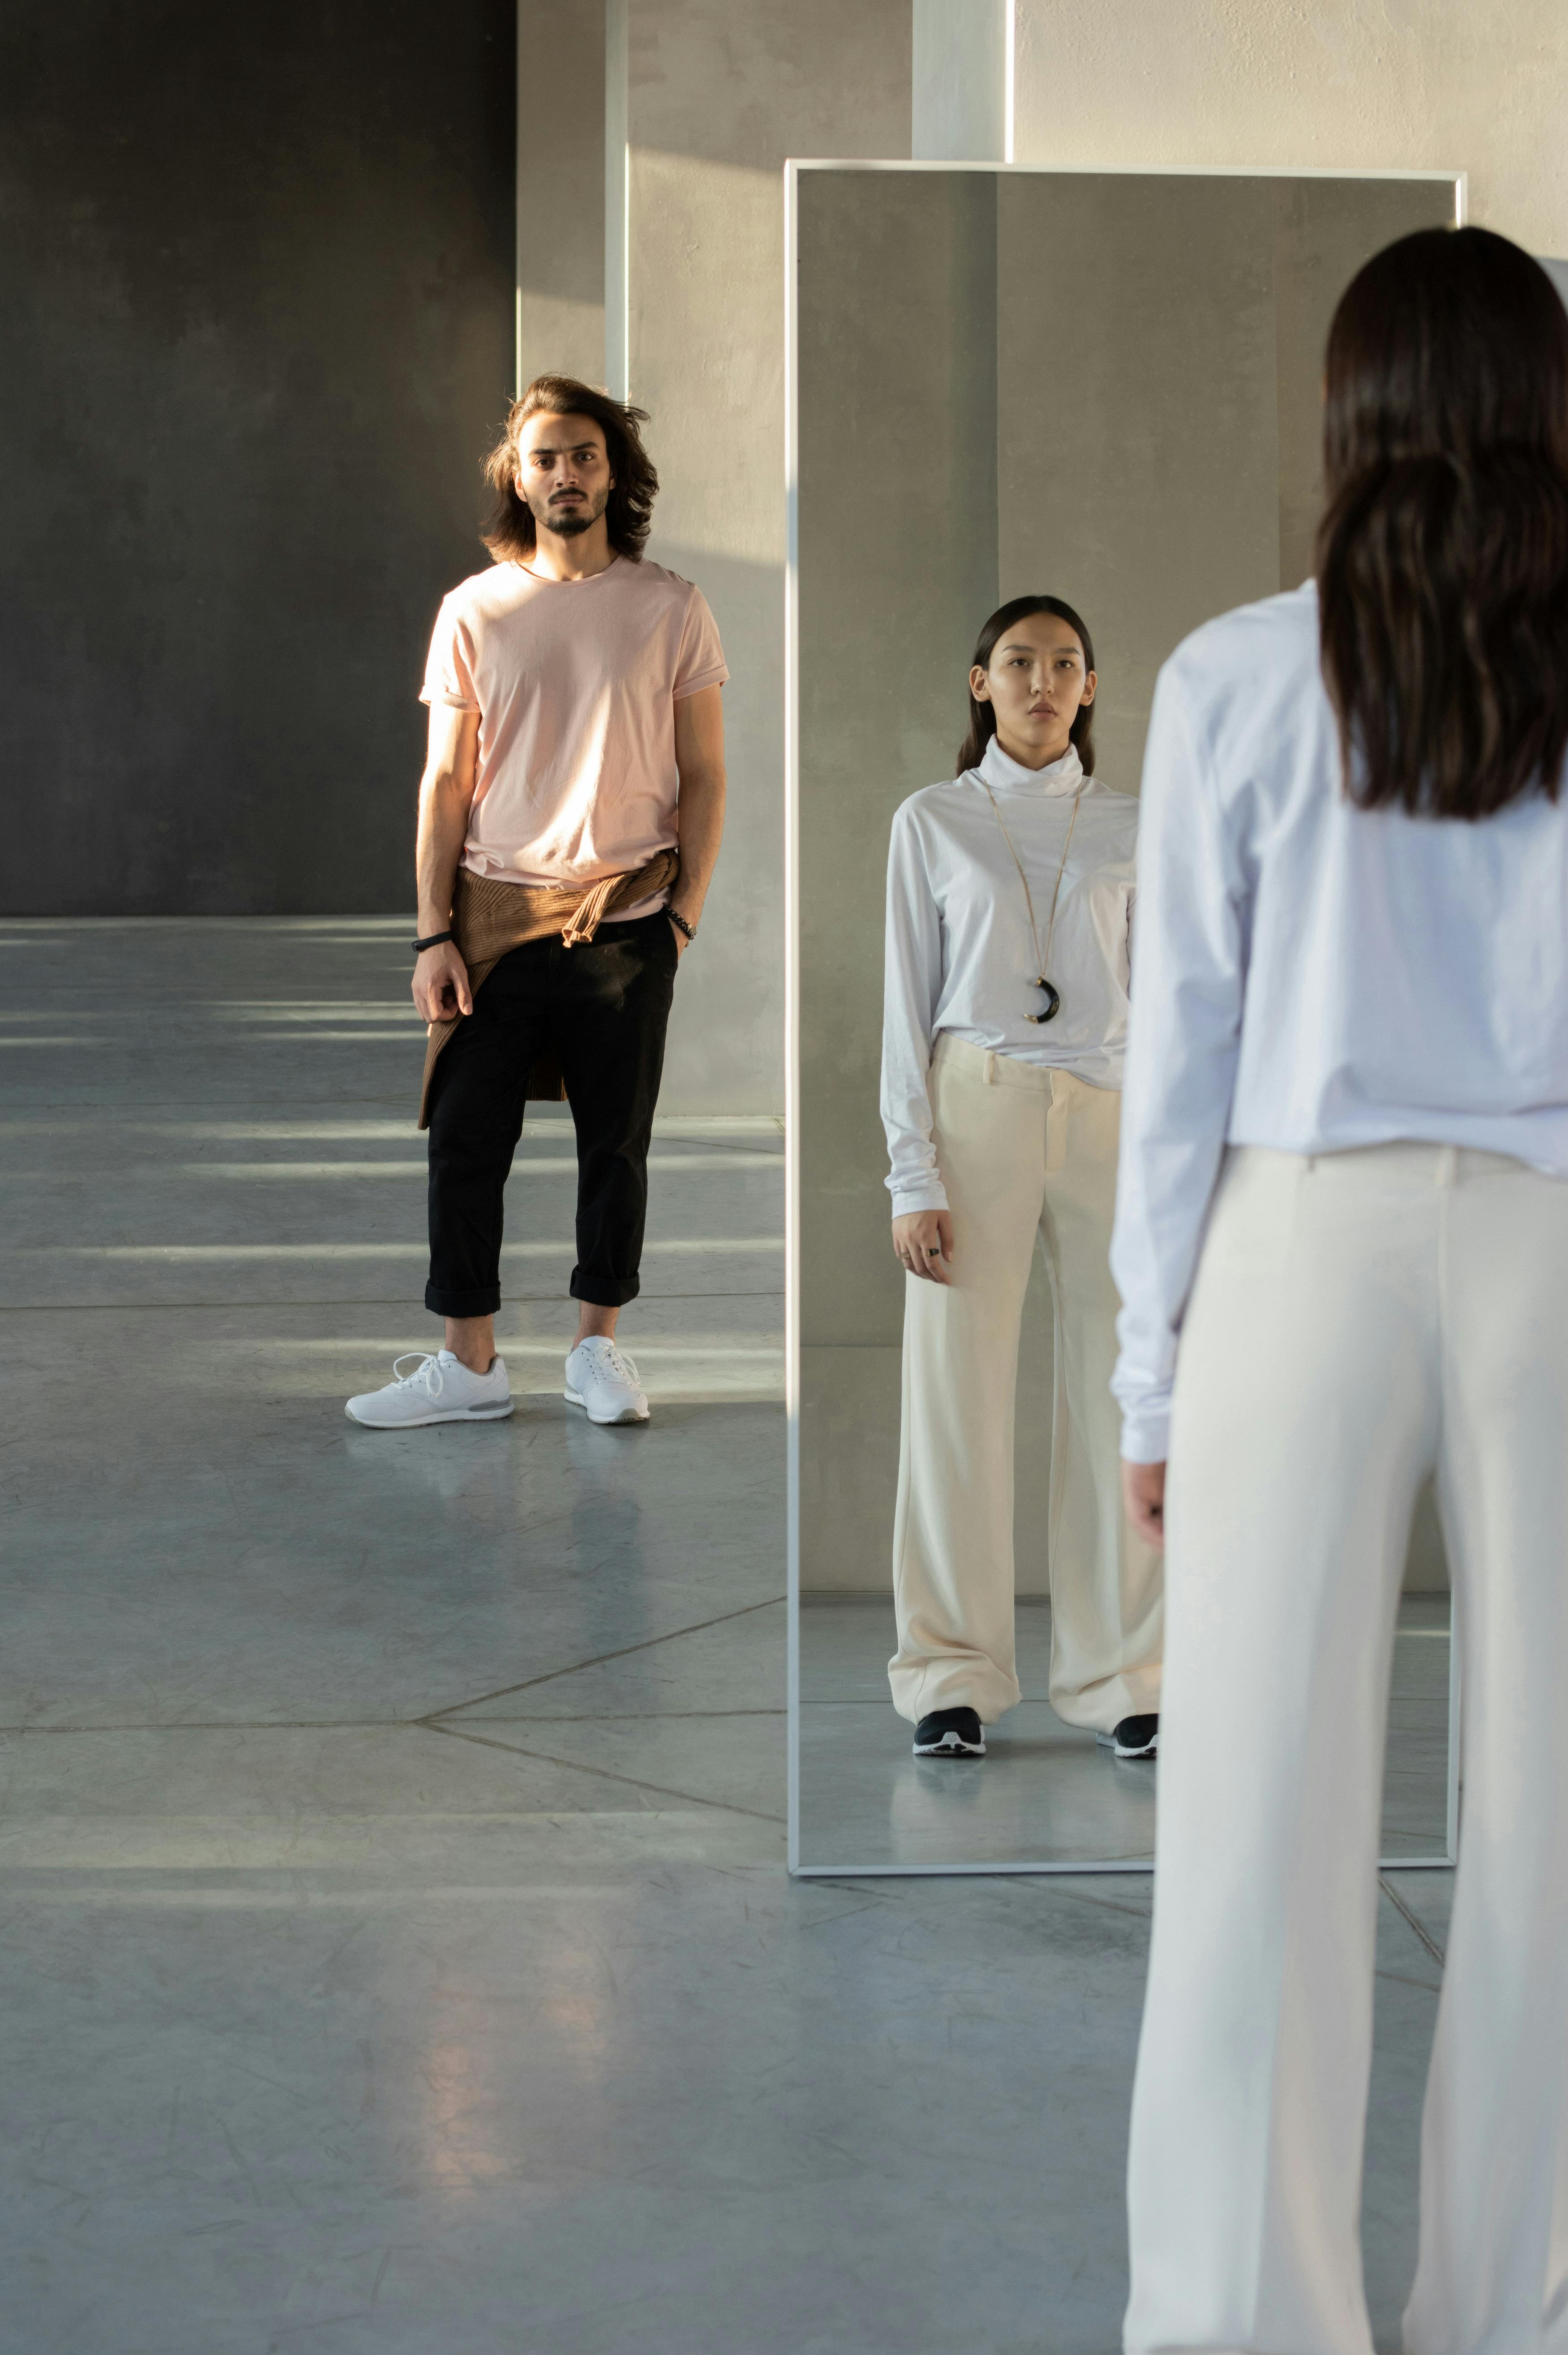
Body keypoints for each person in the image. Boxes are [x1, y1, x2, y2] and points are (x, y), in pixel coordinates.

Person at [1114, 226, 1568, 2355]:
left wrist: (1145, 1377)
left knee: (1255, 1825)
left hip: (1296, 1239)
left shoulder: (1228, 674)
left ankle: (1243, 2319)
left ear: (1351, 409)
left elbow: (1175, 1065)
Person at [346, 375, 727, 1431]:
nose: (566, 473)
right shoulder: (472, 609)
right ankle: (468, 1364)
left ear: (614, 472)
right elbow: (446, 784)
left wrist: (682, 912)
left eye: (585, 455)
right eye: (546, 457)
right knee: (464, 1141)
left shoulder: (671, 606)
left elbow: (706, 773)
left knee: (618, 1143)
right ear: (518, 475)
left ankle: (595, 1352)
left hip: (627, 920)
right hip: (494, 920)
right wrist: (432, 933)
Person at [881, 595, 1163, 1763]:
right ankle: (948, 1675)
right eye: (1016, 662)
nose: (1039, 680)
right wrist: (910, 1171)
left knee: (1120, 1397)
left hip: (1113, 1117)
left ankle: (1122, 1677)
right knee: (954, 1400)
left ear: (1089, 687)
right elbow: (904, 1000)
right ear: (978, 682)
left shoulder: (1137, 825)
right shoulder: (932, 820)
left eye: (1062, 664)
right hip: (976, 1107)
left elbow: (1174, 1006)